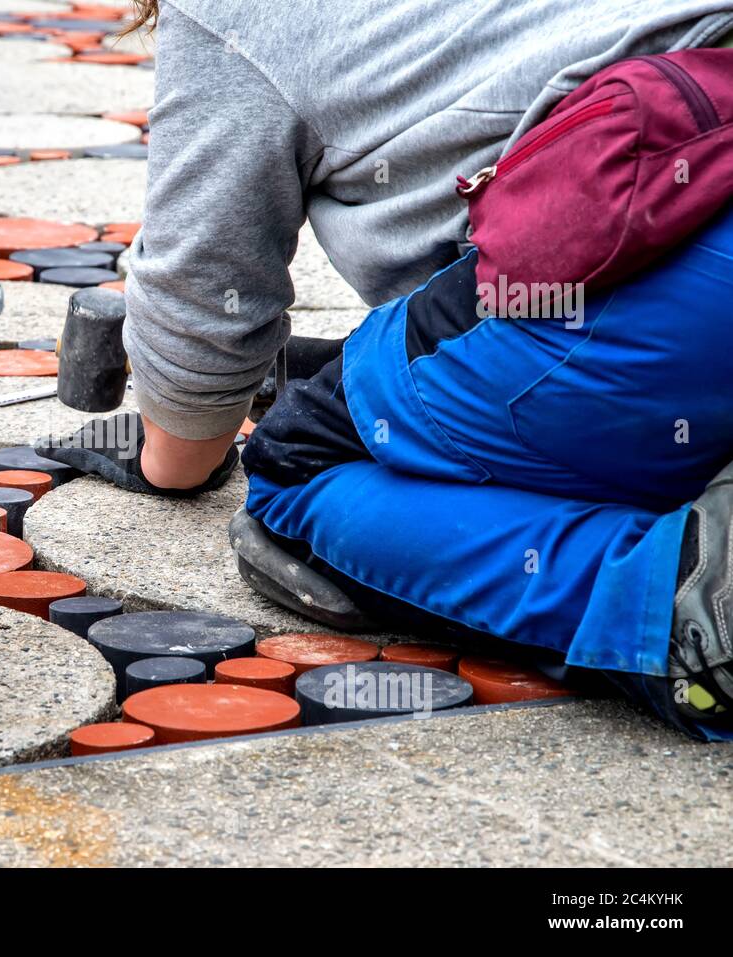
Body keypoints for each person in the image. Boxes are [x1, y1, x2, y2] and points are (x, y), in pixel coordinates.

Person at [37, 0, 733, 739]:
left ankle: (686, 608)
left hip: (670, 254)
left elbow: (198, 316)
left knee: (296, 471)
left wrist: (168, 446)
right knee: (385, 388)